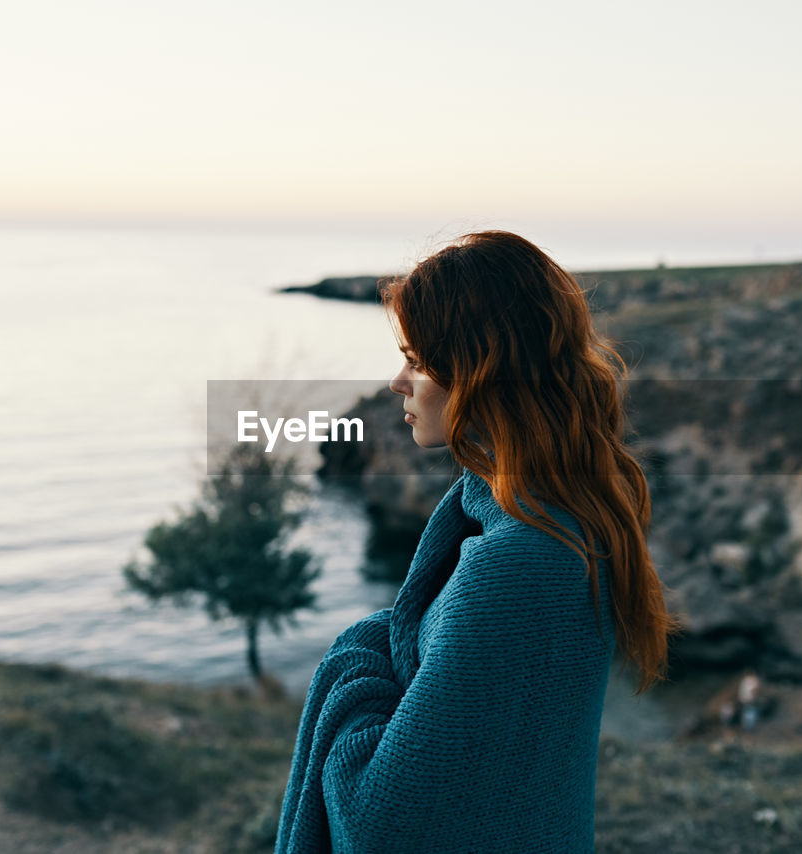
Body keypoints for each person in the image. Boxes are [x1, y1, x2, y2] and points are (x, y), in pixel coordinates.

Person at [275, 231, 683, 853]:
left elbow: (378, 823)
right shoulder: (566, 514)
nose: (397, 382)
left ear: (480, 368)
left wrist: (356, 656)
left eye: (416, 359)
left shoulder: (516, 563)